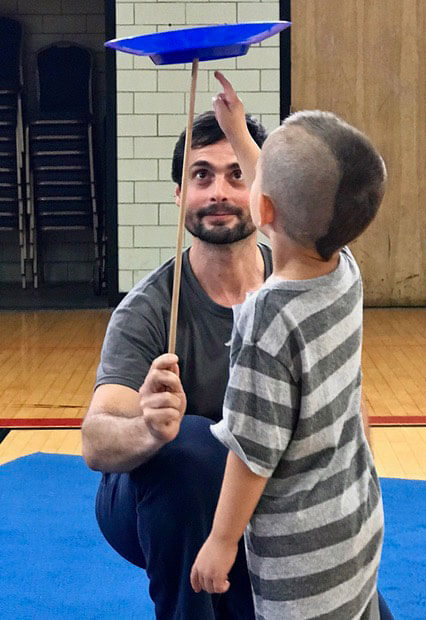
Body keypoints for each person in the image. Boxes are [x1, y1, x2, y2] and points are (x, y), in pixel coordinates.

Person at [81, 76, 394, 619]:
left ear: (260, 200)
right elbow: (95, 442)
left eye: (235, 175)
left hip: (266, 504)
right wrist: (146, 428)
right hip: (167, 499)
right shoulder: (150, 307)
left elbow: (326, 422)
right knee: (191, 450)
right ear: (179, 193)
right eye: (201, 176)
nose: (220, 191)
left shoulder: (287, 300)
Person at [190, 72, 387, 620]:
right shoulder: (344, 269)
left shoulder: (266, 321)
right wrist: (238, 133)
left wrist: (222, 541)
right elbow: (284, 201)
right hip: (356, 523)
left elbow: (252, 452)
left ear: (264, 212)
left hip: (300, 560)